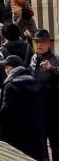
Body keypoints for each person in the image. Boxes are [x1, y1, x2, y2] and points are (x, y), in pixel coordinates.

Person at [0, 55, 46, 160]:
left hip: (16, 136)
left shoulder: (11, 85)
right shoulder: (34, 82)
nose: (5, 70)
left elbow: (7, 110)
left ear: (11, 68)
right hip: (34, 135)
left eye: (6, 67)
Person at [30, 30, 59, 160]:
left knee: (55, 143)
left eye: (42, 42)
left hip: (52, 110)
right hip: (37, 108)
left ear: (48, 44)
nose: (39, 45)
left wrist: (51, 68)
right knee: (40, 143)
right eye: (36, 42)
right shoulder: (33, 58)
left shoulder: (55, 60)